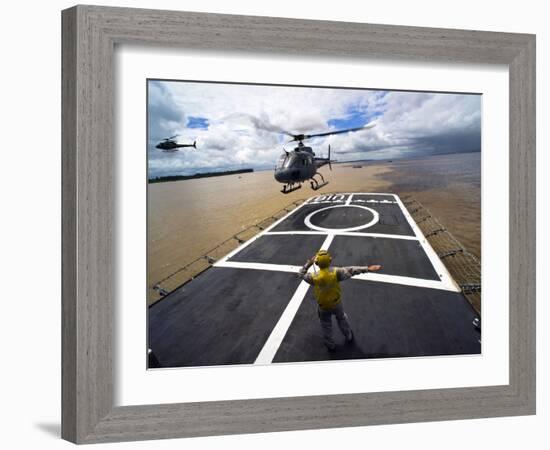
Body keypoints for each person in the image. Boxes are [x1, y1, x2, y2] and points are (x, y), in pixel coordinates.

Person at [298, 250, 382, 350]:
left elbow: (301, 274)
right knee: (342, 318)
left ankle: (330, 344)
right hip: (337, 304)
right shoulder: (336, 272)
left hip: (323, 306)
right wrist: (367, 268)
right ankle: (348, 335)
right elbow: (352, 270)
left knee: (326, 325)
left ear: (317, 263)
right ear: (330, 261)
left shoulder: (313, 277)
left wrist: (309, 263)